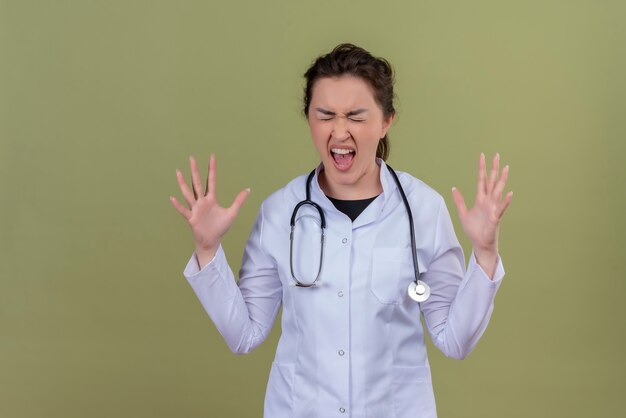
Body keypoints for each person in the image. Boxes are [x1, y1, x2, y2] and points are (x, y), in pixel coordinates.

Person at [170, 43, 512, 418]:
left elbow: (455, 340)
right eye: (326, 115)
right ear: (309, 119)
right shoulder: (280, 211)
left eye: (356, 116)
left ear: (386, 121)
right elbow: (244, 335)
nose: (340, 131)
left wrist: (484, 254)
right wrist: (207, 248)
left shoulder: (423, 210)